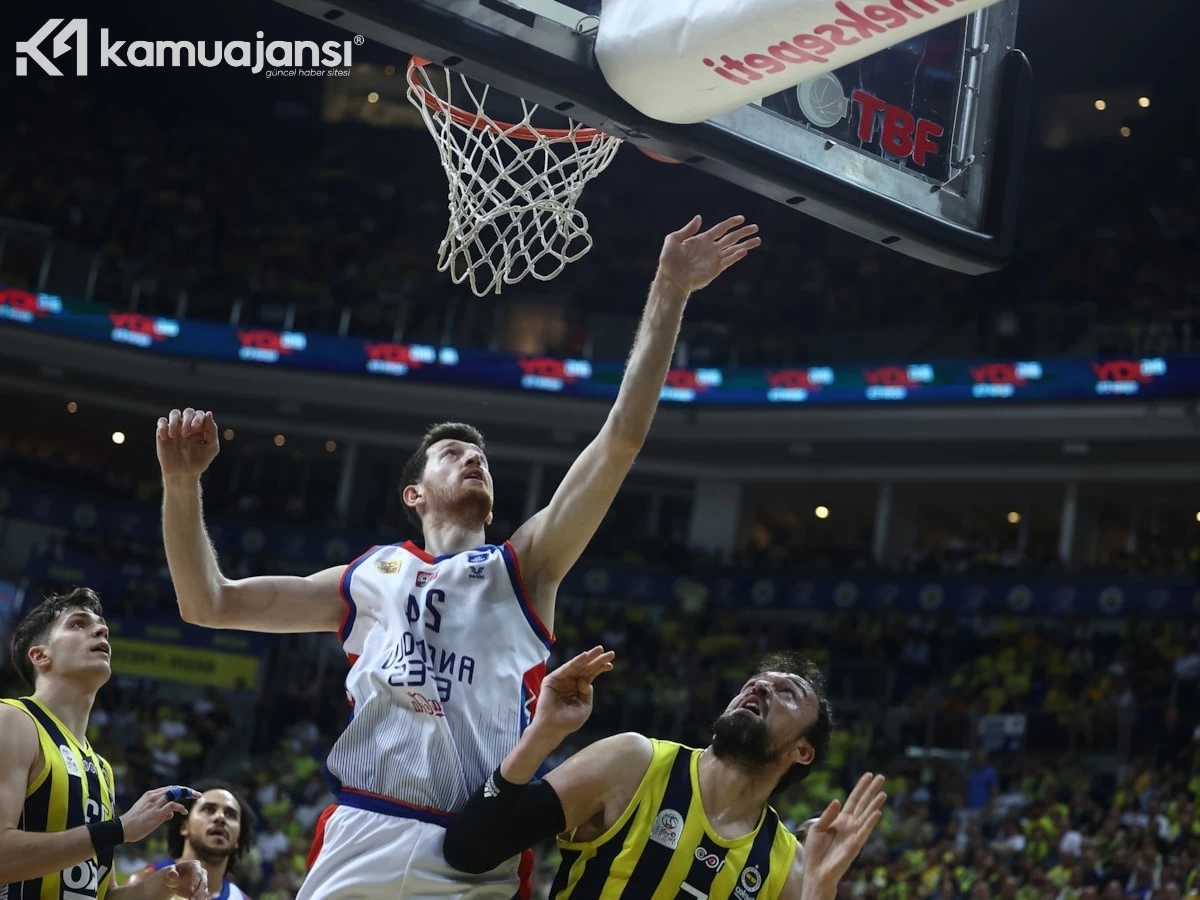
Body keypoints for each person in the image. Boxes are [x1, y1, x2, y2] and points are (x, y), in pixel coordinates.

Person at [155, 214, 761, 899]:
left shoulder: (524, 567)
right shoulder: (368, 577)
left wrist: (668, 291)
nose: (474, 456)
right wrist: (182, 486)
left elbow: (620, 441)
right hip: (363, 829)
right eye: (453, 453)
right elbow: (206, 602)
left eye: (481, 456)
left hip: (472, 846)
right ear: (414, 493)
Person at [442, 648, 886, 900]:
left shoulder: (785, 867)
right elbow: (469, 850)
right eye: (755, 682)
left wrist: (819, 890)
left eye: (786, 692)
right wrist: (542, 734)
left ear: (802, 751)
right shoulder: (633, 764)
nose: (760, 686)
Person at [0, 588, 207, 900]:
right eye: (78, 624)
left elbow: (101, 894)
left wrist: (164, 885)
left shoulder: (101, 769)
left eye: (101, 626)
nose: (101, 629)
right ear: (40, 655)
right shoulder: (12, 720)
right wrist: (120, 828)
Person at [129, 782, 256, 899]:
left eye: (230, 814)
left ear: (238, 838)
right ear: (184, 826)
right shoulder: (143, 882)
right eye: (209, 809)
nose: (220, 817)